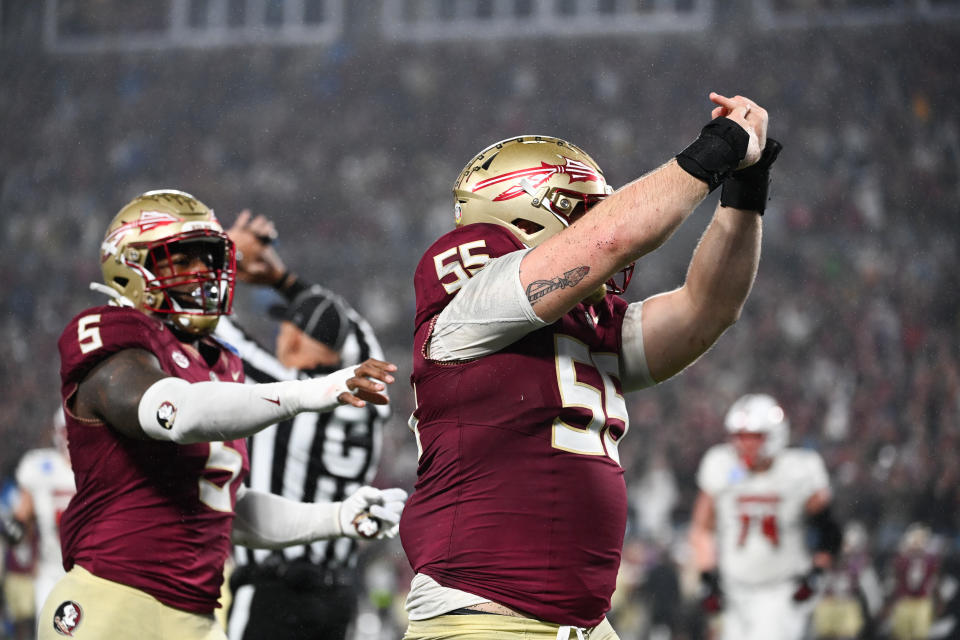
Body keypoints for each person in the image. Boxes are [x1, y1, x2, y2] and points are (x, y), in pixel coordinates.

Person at [400, 92, 780, 639]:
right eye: (582, 208)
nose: (595, 218)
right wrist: (715, 150)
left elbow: (709, 307)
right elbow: (608, 238)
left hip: (586, 626)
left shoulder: (587, 326)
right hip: (483, 619)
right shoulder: (470, 306)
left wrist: (746, 185)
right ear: (530, 208)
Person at [40, 189, 406, 640]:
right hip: (114, 602)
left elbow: (228, 507)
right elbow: (180, 413)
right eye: (183, 258)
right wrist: (315, 390)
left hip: (196, 618)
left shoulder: (220, 361)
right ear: (132, 265)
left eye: (208, 259)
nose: (202, 273)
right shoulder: (112, 334)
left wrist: (335, 519)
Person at [216, 211, 392, 640]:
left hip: (276, 591)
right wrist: (284, 279)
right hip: (336, 597)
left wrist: (224, 253)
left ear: (292, 339)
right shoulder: (373, 399)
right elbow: (357, 331)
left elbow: (214, 323)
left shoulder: (281, 390)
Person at [689, 393, 842, 640]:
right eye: (740, 436)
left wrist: (817, 573)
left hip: (780, 589)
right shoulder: (721, 464)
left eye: (754, 437)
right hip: (733, 589)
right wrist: (707, 576)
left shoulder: (799, 469)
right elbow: (702, 527)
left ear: (774, 436)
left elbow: (830, 531)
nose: (745, 444)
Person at [11, 409, 76, 615]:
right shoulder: (40, 467)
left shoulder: (100, 469)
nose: (70, 437)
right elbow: (22, 518)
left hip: (92, 571)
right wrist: (16, 533)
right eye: (66, 431)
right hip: (51, 570)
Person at [881, 522, 941, 640]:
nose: (918, 542)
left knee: (920, 634)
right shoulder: (901, 559)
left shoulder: (930, 560)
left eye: (921, 539)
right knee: (901, 634)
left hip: (921, 602)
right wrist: (887, 602)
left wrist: (939, 600)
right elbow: (893, 581)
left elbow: (934, 581)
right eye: (915, 538)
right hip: (904, 601)